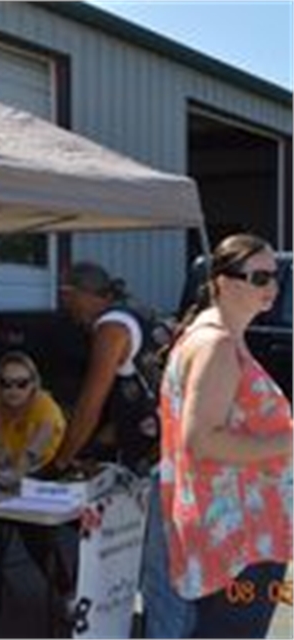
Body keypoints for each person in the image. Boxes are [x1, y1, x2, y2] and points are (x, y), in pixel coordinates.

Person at [145, 233, 292, 638]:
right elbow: (203, 440)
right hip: (238, 540)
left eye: (274, 276)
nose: (273, 287)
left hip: (234, 533)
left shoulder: (214, 336)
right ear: (225, 283)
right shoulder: (216, 344)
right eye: (259, 277)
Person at [0, 350, 74, 600]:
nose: (13, 390)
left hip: (57, 474)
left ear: (33, 384)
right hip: (18, 484)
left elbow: (31, 455)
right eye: (6, 383)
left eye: (21, 383)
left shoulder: (44, 406)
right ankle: (66, 591)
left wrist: (3, 471)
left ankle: (75, 591)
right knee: (28, 521)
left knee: (37, 520)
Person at [51, 261, 161, 474]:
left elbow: (90, 404)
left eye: (66, 296)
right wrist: (93, 449)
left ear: (81, 294)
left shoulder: (111, 328)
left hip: (151, 448)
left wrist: (59, 463)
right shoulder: (137, 311)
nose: (64, 305)